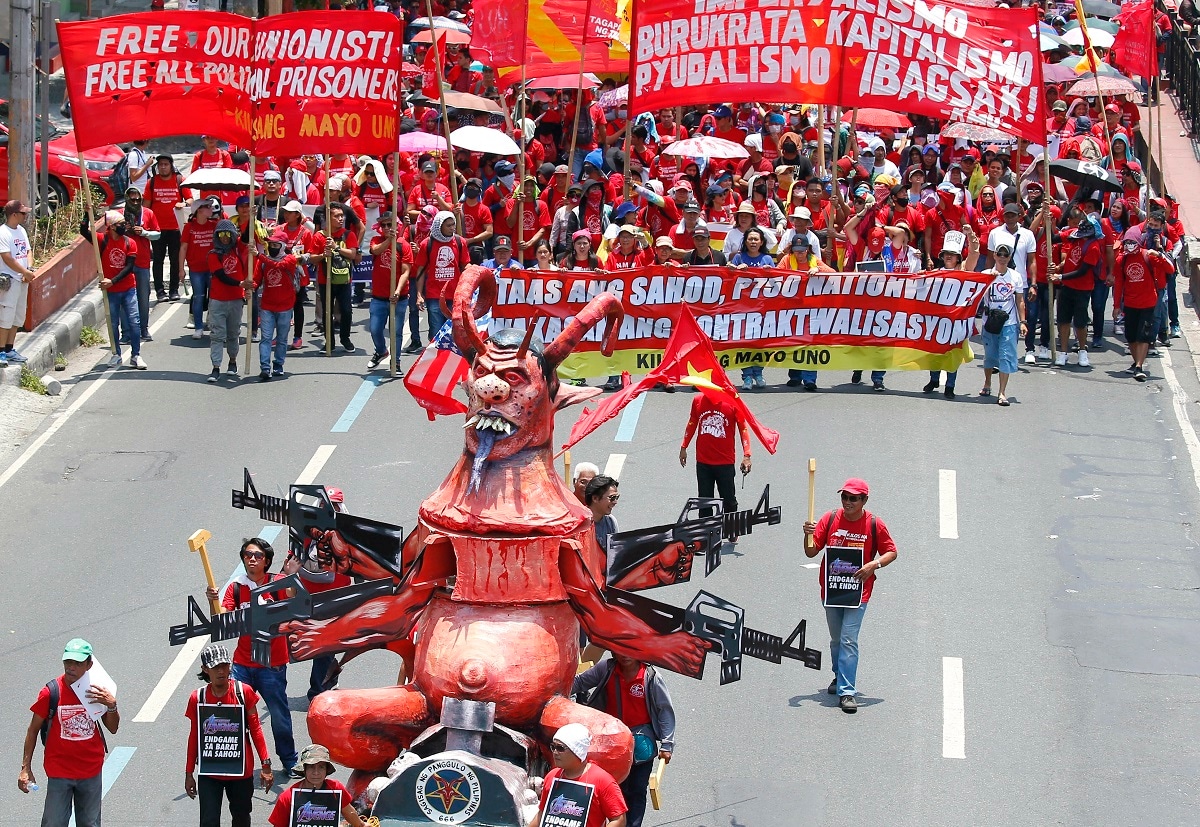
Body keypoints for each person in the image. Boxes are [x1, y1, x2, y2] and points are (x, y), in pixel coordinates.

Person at [802, 478, 898, 714]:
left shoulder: (874, 524)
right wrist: (808, 534)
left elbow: (891, 552)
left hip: (859, 593)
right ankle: (838, 675)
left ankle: (847, 692)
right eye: (844, 497)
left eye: (853, 498)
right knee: (836, 639)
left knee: (848, 639)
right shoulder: (830, 519)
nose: (847, 502)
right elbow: (811, 551)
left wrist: (873, 565)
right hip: (832, 589)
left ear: (864, 500)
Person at [205, 538, 298, 774]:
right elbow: (222, 619)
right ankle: (232, 761)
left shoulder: (277, 583)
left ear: (266, 560)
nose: (252, 559)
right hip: (242, 665)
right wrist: (213, 602)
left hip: (272, 665)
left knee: (279, 715)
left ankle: (289, 761)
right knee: (232, 714)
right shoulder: (236, 587)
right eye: (247, 555)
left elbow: (294, 600)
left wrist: (292, 576)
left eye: (257, 555)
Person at [18, 638, 120, 827]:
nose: (71, 667)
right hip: (59, 773)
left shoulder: (98, 691)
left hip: (90, 772)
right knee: (54, 823)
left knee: (90, 823)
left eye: (78, 663)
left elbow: (112, 728)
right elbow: (32, 730)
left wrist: (112, 706)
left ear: (89, 664)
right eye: (68, 662)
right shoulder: (51, 692)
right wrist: (26, 768)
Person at [573, 655, 675, 827]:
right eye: (619, 649)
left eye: (629, 650)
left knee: (636, 791)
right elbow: (580, 683)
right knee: (613, 791)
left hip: (641, 743)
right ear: (612, 651)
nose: (625, 655)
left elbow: (664, 709)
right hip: (610, 743)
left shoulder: (650, 676)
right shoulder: (606, 668)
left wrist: (667, 744)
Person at [184, 643, 273, 827]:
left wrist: (266, 765)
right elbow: (194, 736)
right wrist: (189, 773)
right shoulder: (197, 698)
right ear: (205, 669)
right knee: (208, 821)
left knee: (241, 818)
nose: (221, 671)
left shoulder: (244, 693)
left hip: (241, 773)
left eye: (224, 665)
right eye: (215, 667)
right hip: (210, 773)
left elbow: (256, 729)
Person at [526, 724, 627, 827]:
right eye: (553, 747)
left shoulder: (603, 781)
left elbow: (619, 820)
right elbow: (542, 815)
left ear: (577, 750)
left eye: (560, 748)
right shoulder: (552, 776)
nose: (555, 752)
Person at [81, 210, 147, 370]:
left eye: (124, 224)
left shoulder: (130, 243)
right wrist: (86, 214)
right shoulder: (101, 240)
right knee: (112, 324)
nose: (123, 227)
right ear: (110, 227)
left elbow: (129, 267)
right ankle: (116, 354)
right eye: (120, 225)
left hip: (128, 289)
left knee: (134, 322)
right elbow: (83, 231)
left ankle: (136, 355)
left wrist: (113, 281)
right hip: (111, 292)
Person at [679, 392, 751, 524]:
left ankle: (731, 528)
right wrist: (684, 446)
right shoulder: (697, 400)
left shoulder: (733, 401)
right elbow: (692, 422)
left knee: (729, 500)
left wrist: (747, 455)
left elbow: (743, 429)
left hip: (725, 462)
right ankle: (706, 532)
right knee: (705, 501)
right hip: (703, 461)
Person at [1114, 231, 1172, 382]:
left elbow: (1170, 269)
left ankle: (1139, 366)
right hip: (1130, 303)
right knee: (1131, 336)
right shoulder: (1122, 260)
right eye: (1126, 242)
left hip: (1148, 303)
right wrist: (1116, 306)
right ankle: (1136, 362)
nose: (1129, 245)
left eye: (1132, 242)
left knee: (1143, 336)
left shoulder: (1149, 256)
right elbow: (1119, 283)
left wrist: (1159, 255)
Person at [267, 745, 365, 827]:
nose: (316, 773)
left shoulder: (336, 789)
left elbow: (350, 813)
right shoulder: (287, 797)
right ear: (304, 769)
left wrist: (362, 825)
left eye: (321, 767)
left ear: (327, 770)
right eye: (311, 767)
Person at [978, 243, 1027, 406]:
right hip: (989, 322)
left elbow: (1020, 300)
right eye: (1000, 254)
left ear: (1010, 257)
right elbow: (974, 296)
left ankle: (1002, 392)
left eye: (1006, 255)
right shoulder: (986, 275)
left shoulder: (1016, 277)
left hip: (1009, 322)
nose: (1002, 258)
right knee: (990, 356)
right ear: (994, 255)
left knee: (1006, 356)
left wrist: (1023, 322)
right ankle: (987, 383)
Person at [204, 220, 252, 382]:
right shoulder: (213, 254)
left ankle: (232, 362)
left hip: (236, 300)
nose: (224, 238)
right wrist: (239, 283)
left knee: (233, 334)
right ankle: (216, 366)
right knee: (217, 335)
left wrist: (252, 217)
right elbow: (221, 275)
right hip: (218, 300)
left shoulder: (238, 249)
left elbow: (246, 236)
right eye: (221, 234)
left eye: (227, 234)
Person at [367, 212, 412, 372]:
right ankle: (381, 351)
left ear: (396, 225)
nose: (386, 227)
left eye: (389, 224)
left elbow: (406, 272)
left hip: (398, 298)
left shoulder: (403, 245)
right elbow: (376, 251)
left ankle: (396, 362)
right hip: (379, 297)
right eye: (383, 225)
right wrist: (389, 240)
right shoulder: (376, 240)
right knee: (375, 329)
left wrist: (398, 291)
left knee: (397, 332)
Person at [253, 233, 301, 381]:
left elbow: (278, 265)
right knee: (266, 338)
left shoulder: (290, 259)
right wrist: (248, 288)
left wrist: (259, 255)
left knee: (281, 338)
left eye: (276, 245)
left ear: (283, 246)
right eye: (271, 245)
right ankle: (265, 368)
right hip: (267, 305)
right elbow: (256, 280)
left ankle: (278, 364)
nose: (273, 248)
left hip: (285, 306)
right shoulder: (262, 262)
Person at [0, 200, 38, 367]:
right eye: (23, 213)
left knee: (18, 316)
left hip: (23, 279)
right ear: (14, 214)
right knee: (6, 316)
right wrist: (24, 272)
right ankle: (1, 351)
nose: (25, 215)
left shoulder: (21, 231)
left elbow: (28, 250)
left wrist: (28, 269)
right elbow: (7, 257)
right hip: (9, 281)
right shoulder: (3, 233)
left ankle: (10, 348)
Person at [143, 155, 185, 301]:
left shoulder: (180, 180)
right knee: (158, 260)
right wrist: (145, 227)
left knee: (175, 260)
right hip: (157, 229)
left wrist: (183, 204)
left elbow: (190, 199)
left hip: (175, 228)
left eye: (166, 164)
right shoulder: (152, 182)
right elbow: (146, 206)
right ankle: (160, 292)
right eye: (160, 164)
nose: (163, 167)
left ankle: (174, 290)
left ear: (171, 165)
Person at [122, 184, 161, 339]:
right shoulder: (119, 214)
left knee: (143, 298)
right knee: (124, 299)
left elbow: (157, 234)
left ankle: (143, 329)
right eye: (132, 199)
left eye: (139, 199)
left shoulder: (148, 213)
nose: (136, 202)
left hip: (143, 262)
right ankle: (125, 333)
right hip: (124, 264)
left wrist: (144, 232)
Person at [586, 475, 620, 554]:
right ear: (595, 498)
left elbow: (614, 552)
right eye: (612, 498)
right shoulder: (579, 522)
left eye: (616, 497)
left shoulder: (611, 521)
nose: (615, 502)